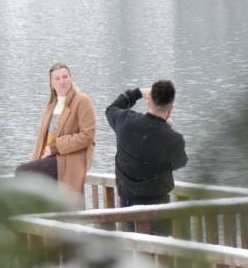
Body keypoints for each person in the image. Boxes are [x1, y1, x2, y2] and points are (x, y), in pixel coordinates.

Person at [107, 80, 188, 236]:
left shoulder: (126, 121)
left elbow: (112, 108)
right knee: (165, 249)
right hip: (157, 205)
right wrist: (166, 127)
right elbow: (180, 162)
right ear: (171, 109)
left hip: (128, 202)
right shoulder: (172, 138)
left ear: (149, 102)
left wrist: (137, 92)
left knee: (141, 247)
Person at [29, 63, 97, 196]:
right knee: (27, 175)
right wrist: (36, 159)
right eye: (57, 78)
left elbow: (87, 135)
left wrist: (54, 147)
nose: (62, 81)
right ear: (51, 83)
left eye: (65, 77)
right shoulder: (51, 104)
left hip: (69, 159)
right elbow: (42, 138)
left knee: (23, 172)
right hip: (48, 158)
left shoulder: (82, 101)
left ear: (71, 78)